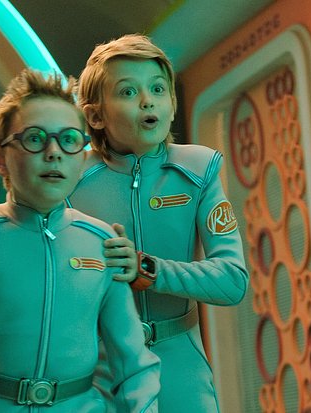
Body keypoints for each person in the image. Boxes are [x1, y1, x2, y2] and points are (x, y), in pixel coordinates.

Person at [0, 69, 161, 413]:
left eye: (69, 140)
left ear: (82, 157)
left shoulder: (103, 242)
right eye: (35, 138)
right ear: (0, 159)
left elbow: (134, 366)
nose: (54, 152)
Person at [67, 34, 250, 412]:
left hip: (181, 369)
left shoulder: (199, 170)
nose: (147, 100)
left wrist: (147, 269)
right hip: (99, 375)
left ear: (172, 105)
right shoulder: (69, 182)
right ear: (95, 115)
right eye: (128, 91)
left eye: (157, 89)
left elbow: (233, 281)